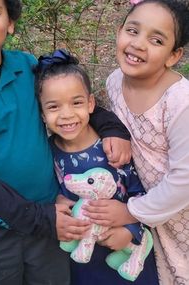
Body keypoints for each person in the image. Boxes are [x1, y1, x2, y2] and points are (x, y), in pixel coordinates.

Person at [0, 0, 132, 284]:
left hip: (51, 218)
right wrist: (42, 218)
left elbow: (69, 101)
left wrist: (112, 128)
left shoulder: (25, 66)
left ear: (10, 23)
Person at [83, 0, 189, 284]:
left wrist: (130, 211)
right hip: (144, 207)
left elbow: (185, 179)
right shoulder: (115, 81)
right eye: (133, 31)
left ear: (173, 55)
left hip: (180, 215)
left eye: (156, 40)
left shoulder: (180, 103)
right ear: (119, 32)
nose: (139, 44)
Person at [34, 48, 159, 285]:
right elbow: (50, 190)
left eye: (76, 102)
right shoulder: (48, 151)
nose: (66, 115)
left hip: (126, 253)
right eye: (53, 107)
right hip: (82, 258)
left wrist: (130, 231)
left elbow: (142, 194)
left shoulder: (113, 147)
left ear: (91, 103)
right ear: (41, 113)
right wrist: (57, 201)